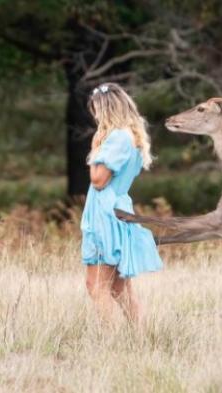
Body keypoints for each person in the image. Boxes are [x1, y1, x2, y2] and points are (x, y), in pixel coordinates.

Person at [81, 82, 163, 325]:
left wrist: (95, 148)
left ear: (106, 109)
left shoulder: (117, 138)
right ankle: (138, 336)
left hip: (106, 216)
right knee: (119, 287)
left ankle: (110, 341)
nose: (95, 116)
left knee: (96, 285)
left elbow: (98, 180)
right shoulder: (131, 137)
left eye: (96, 109)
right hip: (117, 210)